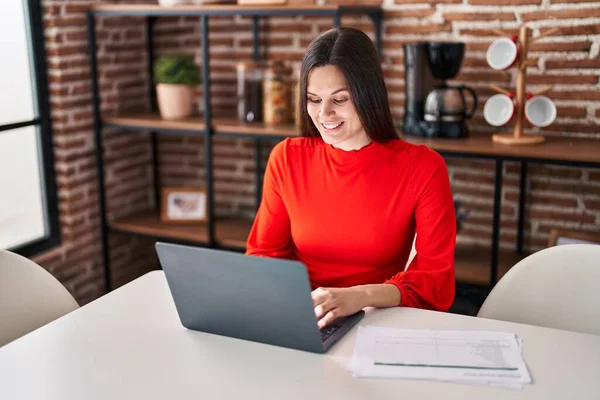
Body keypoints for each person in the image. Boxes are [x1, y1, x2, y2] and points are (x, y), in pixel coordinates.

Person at [246, 27, 456, 328]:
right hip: (304, 316)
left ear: (368, 94)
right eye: (313, 100)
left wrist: (358, 297)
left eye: (340, 99)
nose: (324, 114)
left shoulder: (423, 167)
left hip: (379, 319)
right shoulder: (287, 157)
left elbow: (434, 281)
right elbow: (264, 255)